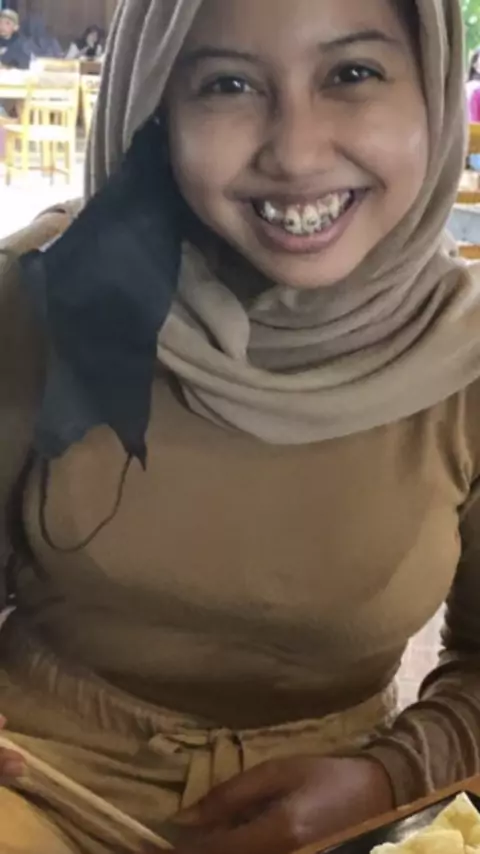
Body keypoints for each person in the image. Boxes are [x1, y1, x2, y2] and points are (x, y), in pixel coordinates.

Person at [0, 0, 479, 853]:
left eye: (352, 73)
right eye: (227, 85)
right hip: (35, 780)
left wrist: (386, 780)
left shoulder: (467, 363)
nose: (295, 152)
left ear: (434, 90)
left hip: (339, 817)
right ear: (156, 107)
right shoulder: (46, 297)